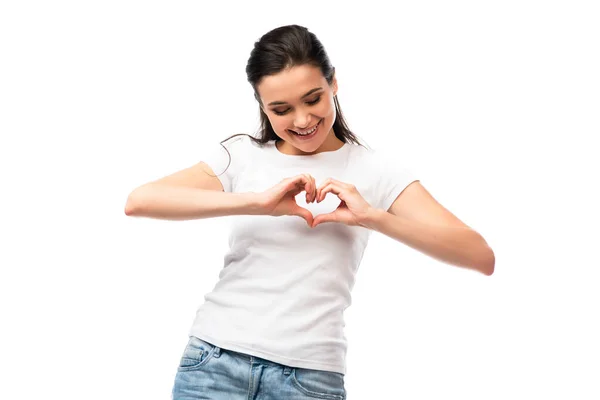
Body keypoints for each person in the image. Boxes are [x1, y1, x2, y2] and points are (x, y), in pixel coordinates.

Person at [125, 24, 495, 400]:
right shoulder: (241, 155)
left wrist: (372, 217)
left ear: (333, 83)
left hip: (309, 380)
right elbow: (141, 201)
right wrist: (258, 203)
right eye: (281, 110)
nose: (302, 121)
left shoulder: (376, 170)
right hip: (214, 363)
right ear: (262, 106)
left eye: (313, 99)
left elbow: (479, 255)